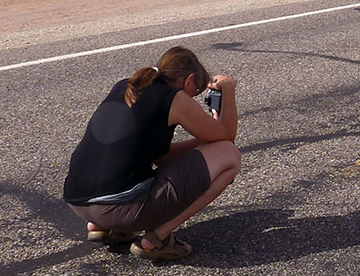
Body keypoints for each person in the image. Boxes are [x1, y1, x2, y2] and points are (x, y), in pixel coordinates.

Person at [62, 46, 241, 261]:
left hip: (78, 202)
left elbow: (162, 158)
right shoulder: (175, 98)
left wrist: (202, 141)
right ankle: (157, 239)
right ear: (189, 80)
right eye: (196, 93)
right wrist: (228, 90)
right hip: (118, 208)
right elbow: (227, 136)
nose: (194, 99)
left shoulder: (126, 86)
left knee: (115, 165)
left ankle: (103, 228)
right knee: (229, 156)